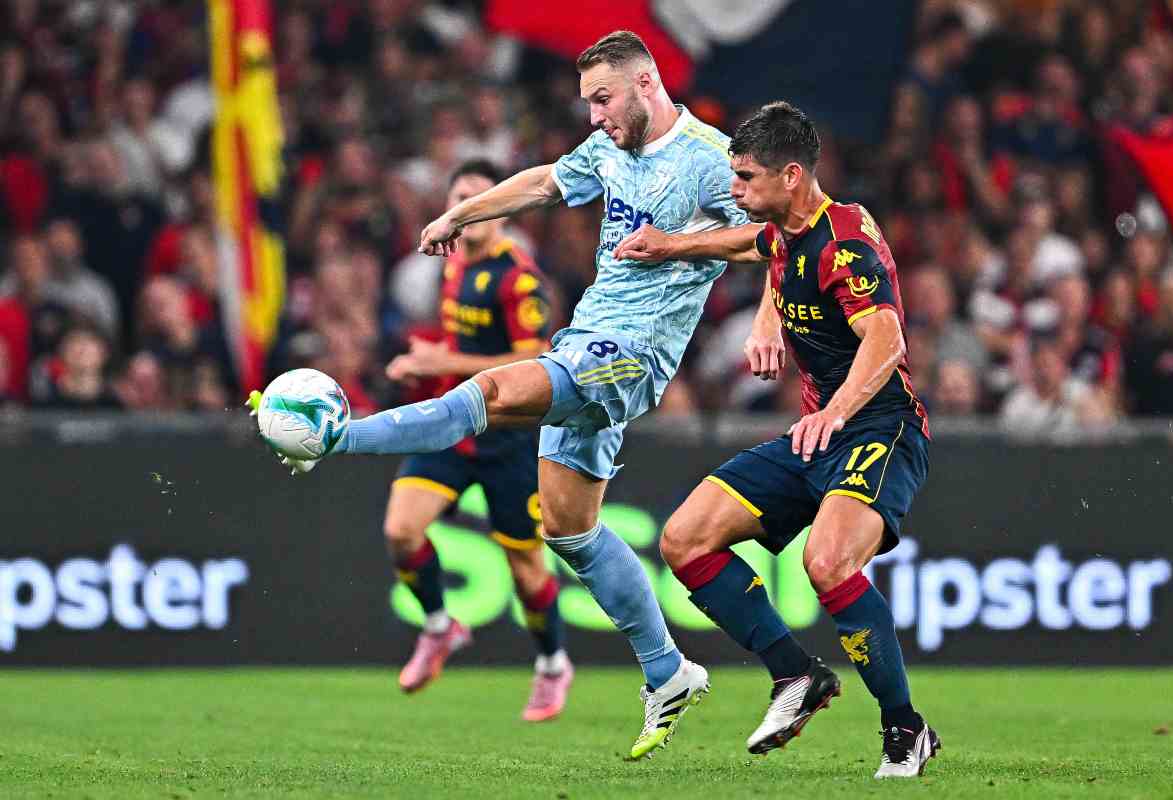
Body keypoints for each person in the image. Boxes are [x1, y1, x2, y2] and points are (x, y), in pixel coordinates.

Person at [250, 30, 748, 759]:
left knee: (486, 390)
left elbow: (765, 237)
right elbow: (547, 180)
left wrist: (679, 250)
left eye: (603, 99)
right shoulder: (609, 150)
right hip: (586, 341)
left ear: (646, 82)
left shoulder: (709, 159)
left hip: (632, 356)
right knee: (570, 532)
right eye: (587, 103)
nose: (594, 117)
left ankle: (337, 436)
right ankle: (668, 671)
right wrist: (462, 213)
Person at [613, 101, 938, 778]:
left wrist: (838, 411)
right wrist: (670, 246)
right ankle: (796, 675)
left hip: (879, 426)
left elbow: (887, 337)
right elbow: (750, 244)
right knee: (684, 538)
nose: (734, 189)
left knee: (828, 563)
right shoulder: (791, 227)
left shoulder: (844, 245)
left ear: (790, 176)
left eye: (746, 177)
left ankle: (905, 728)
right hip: (820, 430)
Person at [380, 159, 572, 722]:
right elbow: (459, 344)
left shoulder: (519, 277)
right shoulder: (454, 265)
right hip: (454, 424)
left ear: (502, 206)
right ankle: (440, 628)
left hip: (508, 437)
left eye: (479, 197)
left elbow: (536, 358)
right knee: (400, 531)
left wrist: (447, 359)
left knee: (527, 571)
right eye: (459, 197)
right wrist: (427, 362)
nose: (469, 208)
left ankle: (553, 664)